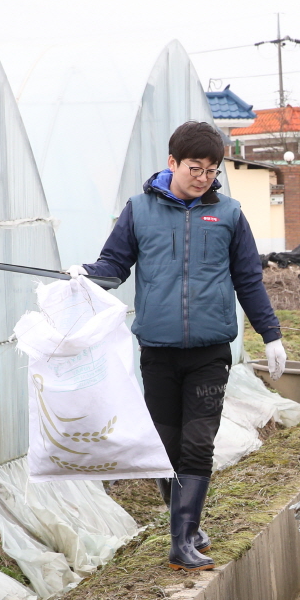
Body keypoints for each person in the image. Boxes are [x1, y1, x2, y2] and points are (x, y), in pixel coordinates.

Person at [73, 120, 286, 572]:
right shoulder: (139, 210)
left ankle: (182, 540)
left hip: (210, 351)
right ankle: (186, 525)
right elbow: (114, 266)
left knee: (197, 444)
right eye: (195, 168)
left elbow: (248, 279)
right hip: (159, 350)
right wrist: (85, 276)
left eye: (212, 170)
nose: (203, 177)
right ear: (172, 163)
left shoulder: (228, 214)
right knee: (165, 448)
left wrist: (271, 334)